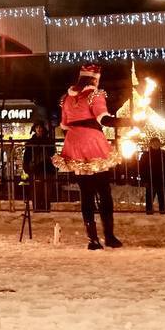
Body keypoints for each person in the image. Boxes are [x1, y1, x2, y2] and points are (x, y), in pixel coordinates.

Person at [51, 64, 127, 249]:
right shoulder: (95, 95)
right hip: (93, 145)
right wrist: (129, 122)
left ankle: (92, 240)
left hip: (75, 145)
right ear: (95, 78)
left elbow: (65, 125)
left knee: (86, 194)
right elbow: (104, 119)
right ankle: (109, 236)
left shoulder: (66, 98)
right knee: (104, 192)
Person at [22, 121, 57, 212]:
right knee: (36, 190)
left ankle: (45, 208)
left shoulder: (48, 141)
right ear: (34, 129)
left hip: (47, 168)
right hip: (36, 169)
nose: (39, 129)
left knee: (46, 191)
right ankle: (37, 208)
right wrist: (27, 167)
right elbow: (27, 156)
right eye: (37, 128)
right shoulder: (31, 142)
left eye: (40, 127)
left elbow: (52, 153)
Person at [138, 137, 165, 215]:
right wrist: (144, 179)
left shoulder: (163, 155)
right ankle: (150, 212)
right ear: (151, 144)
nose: (155, 145)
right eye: (154, 143)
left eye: (157, 143)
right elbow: (142, 168)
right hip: (150, 179)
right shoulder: (146, 155)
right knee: (150, 197)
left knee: (162, 197)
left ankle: (163, 211)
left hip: (161, 179)